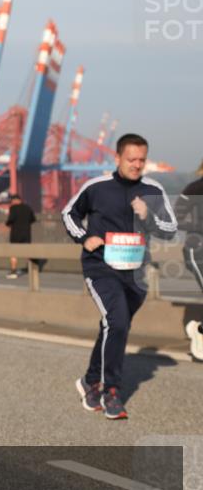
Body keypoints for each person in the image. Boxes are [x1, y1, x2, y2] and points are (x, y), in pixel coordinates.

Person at [62, 133, 178, 419]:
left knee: (114, 326)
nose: (137, 165)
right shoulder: (97, 187)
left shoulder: (153, 189)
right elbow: (69, 214)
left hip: (136, 273)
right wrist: (85, 237)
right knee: (117, 320)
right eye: (131, 160)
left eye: (141, 159)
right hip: (100, 268)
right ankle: (111, 390)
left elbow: (171, 228)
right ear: (117, 158)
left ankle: (90, 380)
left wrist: (148, 216)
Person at [175, 158, 203, 361]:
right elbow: (178, 217)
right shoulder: (194, 188)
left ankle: (198, 329)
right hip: (197, 249)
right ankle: (199, 334)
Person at [5, 193, 37, 278]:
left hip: (15, 234)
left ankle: (13, 271)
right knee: (27, 251)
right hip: (26, 233)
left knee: (13, 253)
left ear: (14, 201)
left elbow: (10, 220)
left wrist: (8, 224)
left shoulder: (13, 208)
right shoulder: (27, 208)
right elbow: (33, 219)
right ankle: (31, 269)